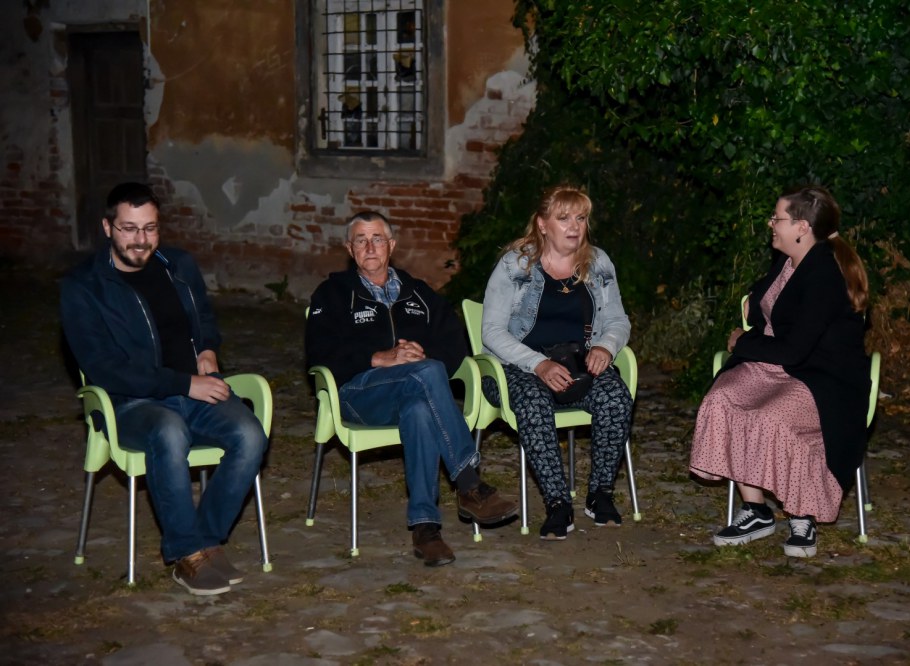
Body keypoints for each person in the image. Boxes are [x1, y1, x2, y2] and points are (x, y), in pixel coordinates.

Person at [60, 182, 269, 595]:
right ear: (108, 228)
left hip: (194, 389)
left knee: (250, 434)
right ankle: (185, 553)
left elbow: (204, 319)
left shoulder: (179, 265)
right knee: (168, 431)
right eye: (129, 228)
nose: (141, 240)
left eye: (150, 228)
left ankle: (205, 540)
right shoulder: (83, 287)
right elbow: (105, 369)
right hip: (130, 403)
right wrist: (184, 383)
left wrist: (207, 349)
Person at [305, 211, 518, 567]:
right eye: (361, 240)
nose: (370, 247)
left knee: (420, 409)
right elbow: (319, 352)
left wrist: (421, 357)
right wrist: (379, 357)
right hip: (358, 395)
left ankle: (425, 528)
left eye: (377, 239)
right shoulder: (332, 294)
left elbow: (455, 343)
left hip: (413, 392)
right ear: (349, 248)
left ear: (391, 245)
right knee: (428, 374)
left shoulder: (418, 292)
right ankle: (469, 483)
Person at [689, 185, 871, 558]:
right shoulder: (790, 260)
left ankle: (802, 515)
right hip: (777, 365)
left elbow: (795, 349)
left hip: (821, 376)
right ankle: (756, 510)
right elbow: (769, 304)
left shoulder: (825, 274)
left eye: (778, 218)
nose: (771, 224)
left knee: (772, 416)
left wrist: (743, 342)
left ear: (802, 227)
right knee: (722, 399)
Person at [481, 185, 634, 540]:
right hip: (518, 366)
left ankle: (600, 494)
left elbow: (617, 320)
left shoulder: (598, 262)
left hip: (578, 362)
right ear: (542, 224)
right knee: (533, 402)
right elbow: (491, 331)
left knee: (616, 398)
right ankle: (557, 503)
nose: (574, 226)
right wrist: (538, 364)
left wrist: (605, 347)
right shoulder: (515, 264)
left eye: (580, 218)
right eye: (563, 218)